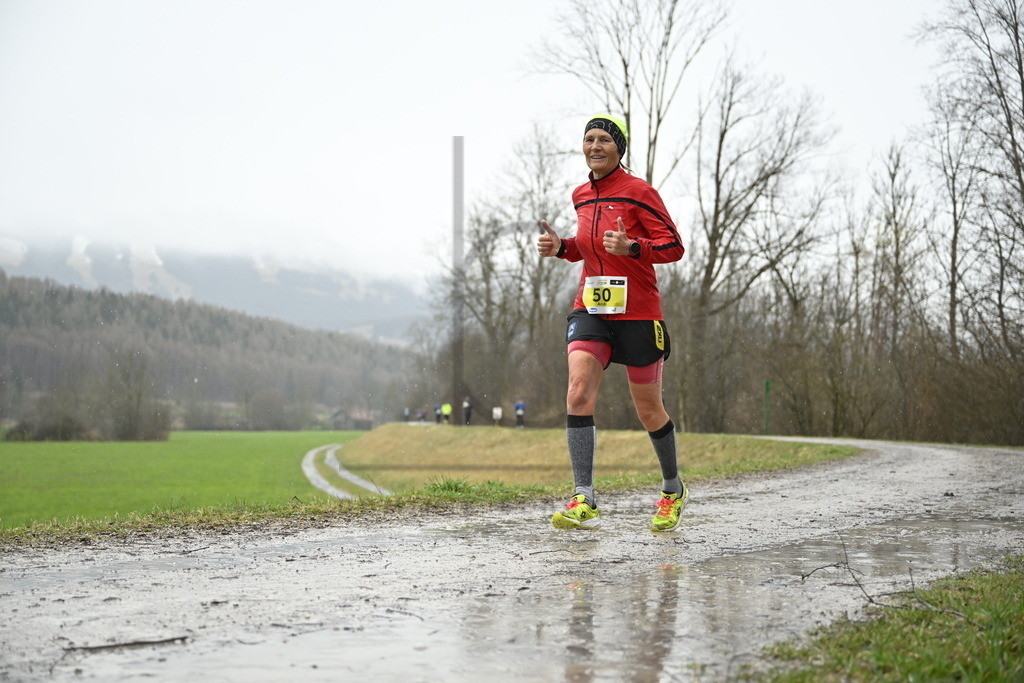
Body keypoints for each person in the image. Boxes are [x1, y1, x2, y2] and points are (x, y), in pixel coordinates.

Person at [537, 114, 687, 532]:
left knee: (649, 409)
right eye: (589, 139)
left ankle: (672, 490)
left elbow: (674, 247)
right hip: (592, 308)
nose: (595, 146)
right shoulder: (580, 195)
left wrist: (633, 246)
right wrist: (562, 247)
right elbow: (588, 249)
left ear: (619, 149)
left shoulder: (640, 192)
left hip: (638, 312)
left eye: (604, 140)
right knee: (578, 390)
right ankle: (584, 496)